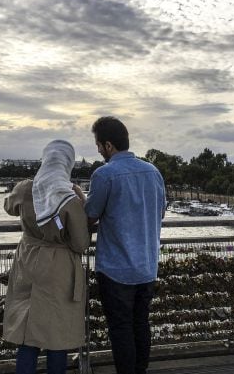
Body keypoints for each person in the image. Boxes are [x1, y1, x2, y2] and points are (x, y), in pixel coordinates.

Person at [84, 116, 165, 374]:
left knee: (120, 328)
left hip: (116, 269)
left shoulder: (104, 175)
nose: (98, 150)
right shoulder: (153, 172)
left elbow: (90, 216)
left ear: (108, 145)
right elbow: (160, 212)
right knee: (141, 324)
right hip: (147, 265)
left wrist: (78, 196)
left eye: (98, 145)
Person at [3, 139, 89, 374]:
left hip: (28, 261)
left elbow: (8, 206)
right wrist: (82, 199)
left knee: (26, 330)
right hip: (59, 267)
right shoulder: (69, 196)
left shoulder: (25, 188)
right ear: (67, 164)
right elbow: (81, 243)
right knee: (57, 334)